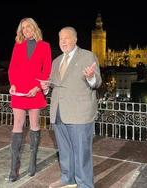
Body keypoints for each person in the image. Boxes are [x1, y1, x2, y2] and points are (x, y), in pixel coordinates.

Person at [41, 27, 102, 188]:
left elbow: (97, 82)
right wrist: (46, 87)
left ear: (75, 39)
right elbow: (56, 85)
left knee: (82, 153)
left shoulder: (88, 56)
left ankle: (85, 185)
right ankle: (68, 179)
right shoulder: (56, 61)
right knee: (65, 150)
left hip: (80, 113)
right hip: (58, 112)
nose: (63, 41)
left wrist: (90, 77)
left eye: (66, 38)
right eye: (60, 38)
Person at [8, 17, 52, 182]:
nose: (26, 30)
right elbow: (13, 67)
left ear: (34, 27)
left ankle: (32, 162)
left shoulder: (45, 46)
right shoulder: (18, 45)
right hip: (18, 91)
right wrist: (12, 84)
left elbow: (46, 69)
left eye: (28, 27)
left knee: (34, 126)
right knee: (17, 126)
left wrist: (38, 87)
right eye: (23, 28)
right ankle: (14, 168)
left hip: (35, 90)